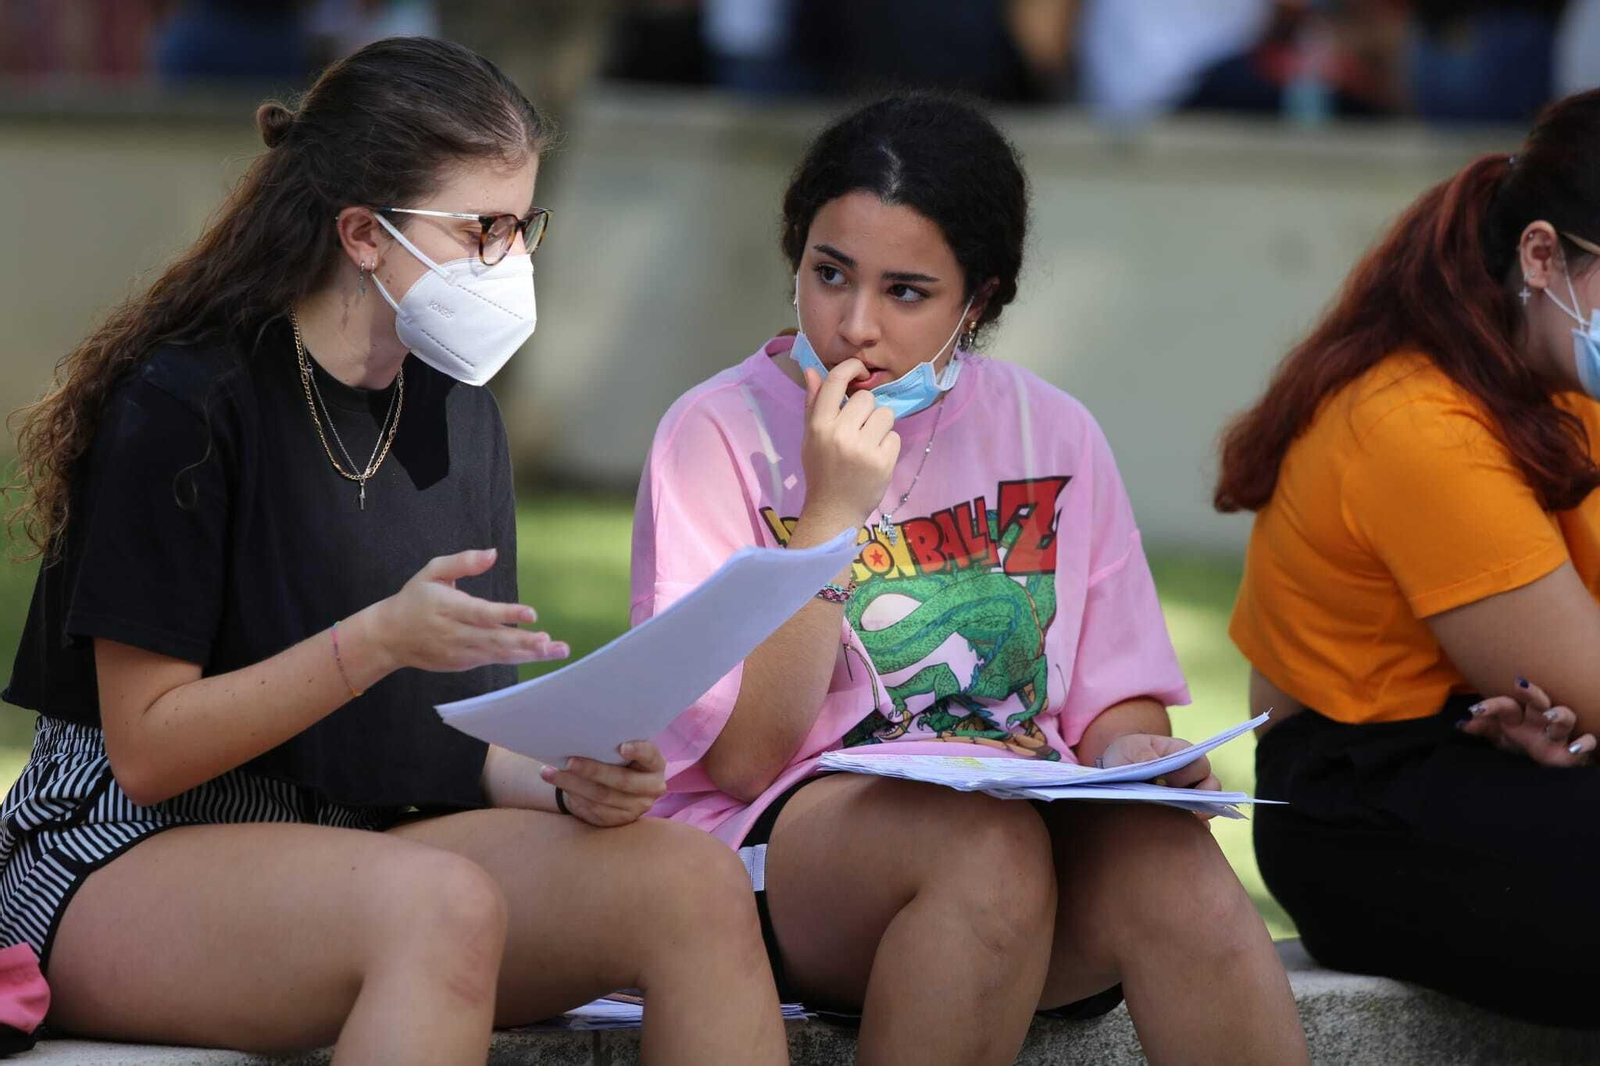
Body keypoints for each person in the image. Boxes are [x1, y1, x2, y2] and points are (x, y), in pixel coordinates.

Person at [0, 36, 786, 1064]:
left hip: (355, 840)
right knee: (437, 906)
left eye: (524, 225)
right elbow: (147, 751)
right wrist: (370, 642)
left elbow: (452, 740)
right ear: (365, 234)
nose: (515, 262)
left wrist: (564, 778)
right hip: (122, 851)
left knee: (690, 878)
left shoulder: (462, 419)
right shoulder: (186, 404)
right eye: (484, 231)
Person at [630, 93, 1308, 1065]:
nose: (854, 324)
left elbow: (1115, 708)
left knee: (1169, 862)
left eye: (905, 292)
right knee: (980, 850)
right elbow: (739, 759)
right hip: (772, 866)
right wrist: (827, 516)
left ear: (977, 301)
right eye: (829, 275)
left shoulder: (1053, 431)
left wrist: (1130, 761)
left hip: (1019, 845)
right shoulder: (714, 436)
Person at [1217, 88, 1600, 1027]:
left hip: (1498, 751)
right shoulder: (1418, 424)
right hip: (1359, 807)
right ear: (1542, 254)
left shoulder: (1549, 376)